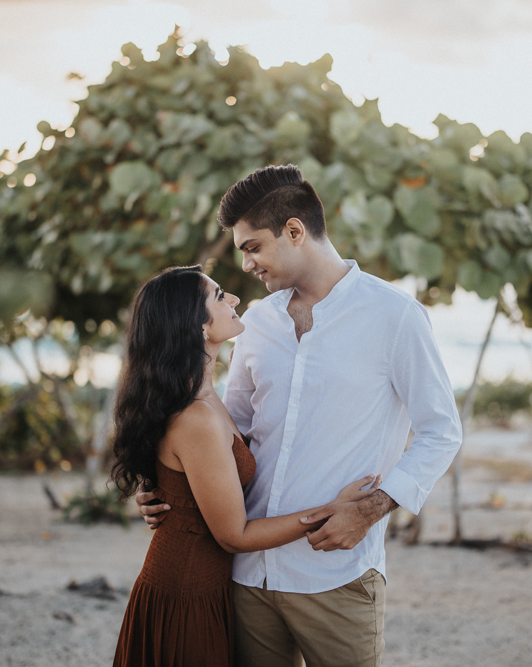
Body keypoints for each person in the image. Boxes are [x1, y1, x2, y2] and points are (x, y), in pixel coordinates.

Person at [137, 165, 463, 666]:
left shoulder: (395, 316)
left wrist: (370, 509)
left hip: (336, 573)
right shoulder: (257, 324)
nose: (245, 266)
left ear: (294, 231)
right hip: (247, 575)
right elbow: (231, 431)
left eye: (252, 247)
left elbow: (441, 432)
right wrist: (167, 485)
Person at [110, 264, 382, 667]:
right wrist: (330, 512)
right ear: (198, 326)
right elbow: (234, 535)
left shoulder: (203, 397)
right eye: (219, 296)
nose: (234, 298)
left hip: (207, 582)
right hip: (187, 589)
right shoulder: (197, 417)